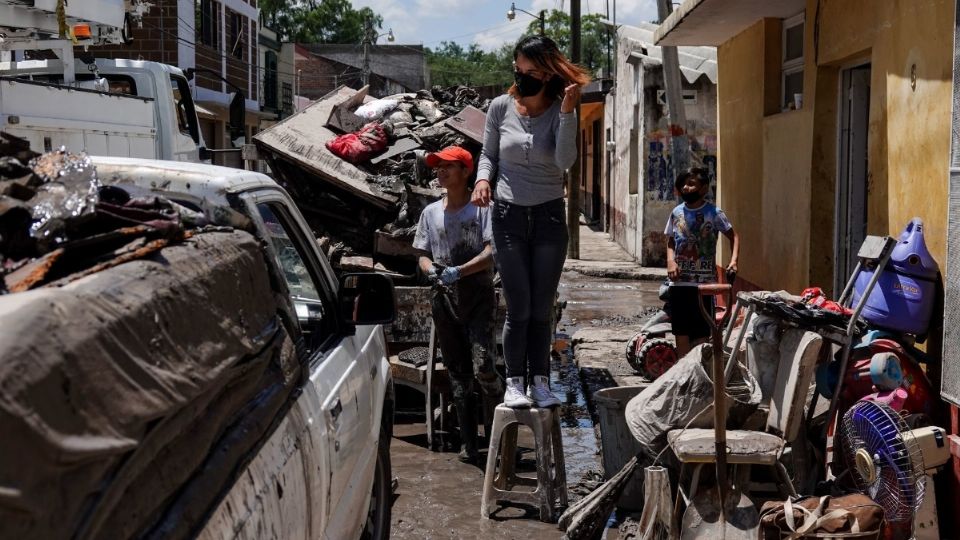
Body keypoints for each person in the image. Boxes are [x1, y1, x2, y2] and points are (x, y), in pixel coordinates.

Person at [472, 35, 590, 408]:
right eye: (518, 70)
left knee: (541, 308)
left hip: (549, 217)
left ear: (549, 74)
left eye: (532, 72)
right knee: (518, 306)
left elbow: (564, 162)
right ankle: (515, 383)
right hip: (507, 216)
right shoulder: (499, 107)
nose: (523, 78)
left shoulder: (560, 110)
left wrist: (569, 113)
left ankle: (541, 382)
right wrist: (481, 180)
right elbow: (488, 154)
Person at [413, 145, 503, 463]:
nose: (440, 172)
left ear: (466, 172)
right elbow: (422, 254)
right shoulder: (430, 213)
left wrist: (460, 271)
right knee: (458, 374)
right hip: (444, 298)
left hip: (477, 294)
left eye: (448, 167)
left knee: (484, 368)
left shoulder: (482, 209)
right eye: (437, 167)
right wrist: (433, 271)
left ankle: (500, 434)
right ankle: (470, 445)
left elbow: (492, 252)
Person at [665, 167, 740, 357]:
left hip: (704, 285)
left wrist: (733, 261)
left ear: (704, 188)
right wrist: (670, 262)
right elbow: (671, 241)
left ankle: (700, 375)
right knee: (680, 333)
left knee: (701, 335)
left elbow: (734, 236)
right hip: (679, 283)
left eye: (691, 184)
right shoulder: (676, 212)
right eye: (683, 184)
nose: (686, 188)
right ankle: (684, 376)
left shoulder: (713, 212)